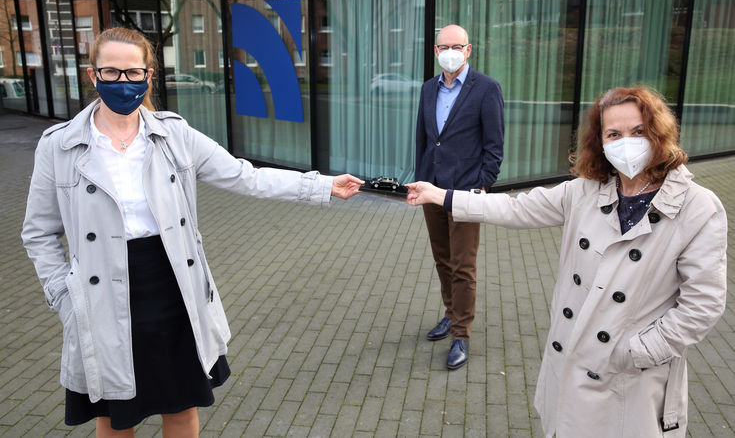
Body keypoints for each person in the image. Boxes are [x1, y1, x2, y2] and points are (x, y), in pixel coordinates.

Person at [21, 27, 362, 437]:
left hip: (172, 284)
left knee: (181, 406)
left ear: (149, 76)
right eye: (111, 72)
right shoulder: (59, 146)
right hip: (101, 293)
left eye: (132, 72)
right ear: (93, 76)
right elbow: (38, 232)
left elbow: (244, 176)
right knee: (115, 417)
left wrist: (321, 184)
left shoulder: (173, 135)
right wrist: (64, 296)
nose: (122, 82)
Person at [406, 86, 727, 437]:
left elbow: (703, 305)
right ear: (600, 142)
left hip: (631, 378)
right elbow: (516, 208)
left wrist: (637, 352)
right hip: (573, 362)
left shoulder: (697, 206)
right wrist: (441, 196)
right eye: (614, 134)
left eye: (638, 131)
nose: (627, 143)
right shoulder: (586, 190)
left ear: (659, 133)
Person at [414, 24, 504, 369]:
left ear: (468, 50)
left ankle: (461, 335)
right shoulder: (427, 89)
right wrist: (420, 181)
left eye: (457, 45)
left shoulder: (486, 89)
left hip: (466, 191)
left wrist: (482, 185)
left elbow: (494, 145)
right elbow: (423, 139)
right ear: (436, 52)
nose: (449, 51)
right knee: (443, 258)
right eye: (443, 46)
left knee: (463, 265)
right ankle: (451, 314)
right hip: (433, 188)